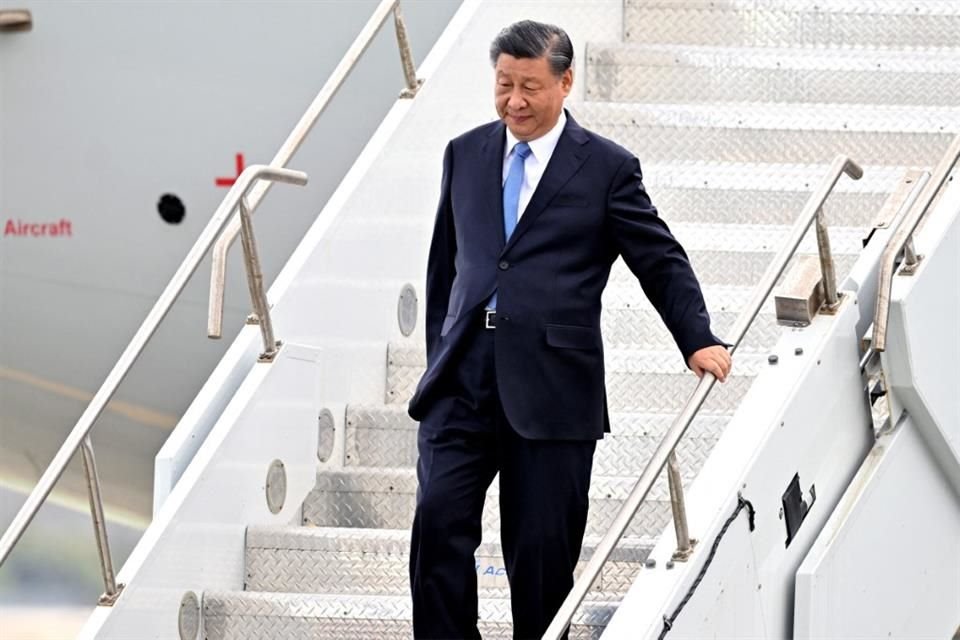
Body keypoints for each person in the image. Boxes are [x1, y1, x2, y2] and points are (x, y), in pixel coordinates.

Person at [407, 20, 733, 640]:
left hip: (552, 387)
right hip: (463, 377)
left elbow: (659, 258)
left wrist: (696, 336)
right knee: (436, 520)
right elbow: (445, 267)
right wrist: (438, 358)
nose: (515, 102)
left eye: (530, 86)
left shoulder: (607, 167)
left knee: (540, 556)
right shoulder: (466, 153)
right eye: (504, 85)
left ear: (566, 81)